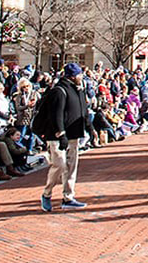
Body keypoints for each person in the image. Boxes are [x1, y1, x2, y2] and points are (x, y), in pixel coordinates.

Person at [38, 63, 90, 212]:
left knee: (71, 167)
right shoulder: (59, 91)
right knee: (59, 165)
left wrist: (89, 127)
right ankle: (47, 194)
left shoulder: (79, 90)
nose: (82, 77)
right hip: (57, 136)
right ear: (73, 76)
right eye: (80, 74)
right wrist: (61, 133)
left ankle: (68, 196)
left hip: (74, 134)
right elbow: (56, 114)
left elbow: (83, 109)